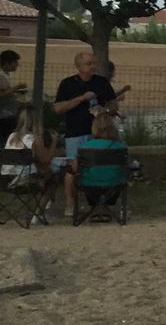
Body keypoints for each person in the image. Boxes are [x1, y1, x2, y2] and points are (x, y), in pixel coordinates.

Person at [52, 51, 119, 210]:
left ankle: (99, 203)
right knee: (73, 167)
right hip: (76, 132)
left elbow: (113, 104)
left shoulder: (101, 82)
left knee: (99, 166)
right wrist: (81, 98)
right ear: (79, 66)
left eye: (93, 63)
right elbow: (58, 108)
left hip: (100, 132)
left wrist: (106, 110)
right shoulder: (68, 84)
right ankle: (71, 204)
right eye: (89, 64)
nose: (93, 67)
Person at [3, 107, 60, 225]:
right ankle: (39, 213)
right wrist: (54, 142)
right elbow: (46, 159)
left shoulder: (11, 136)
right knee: (53, 177)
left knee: (45, 173)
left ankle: (42, 209)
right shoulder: (35, 139)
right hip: (24, 180)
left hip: (6, 180)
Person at [0, 48, 25, 144]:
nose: (17, 65)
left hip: (7, 113)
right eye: (15, 62)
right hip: (4, 115)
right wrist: (16, 88)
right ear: (7, 63)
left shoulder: (5, 76)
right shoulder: (1, 76)